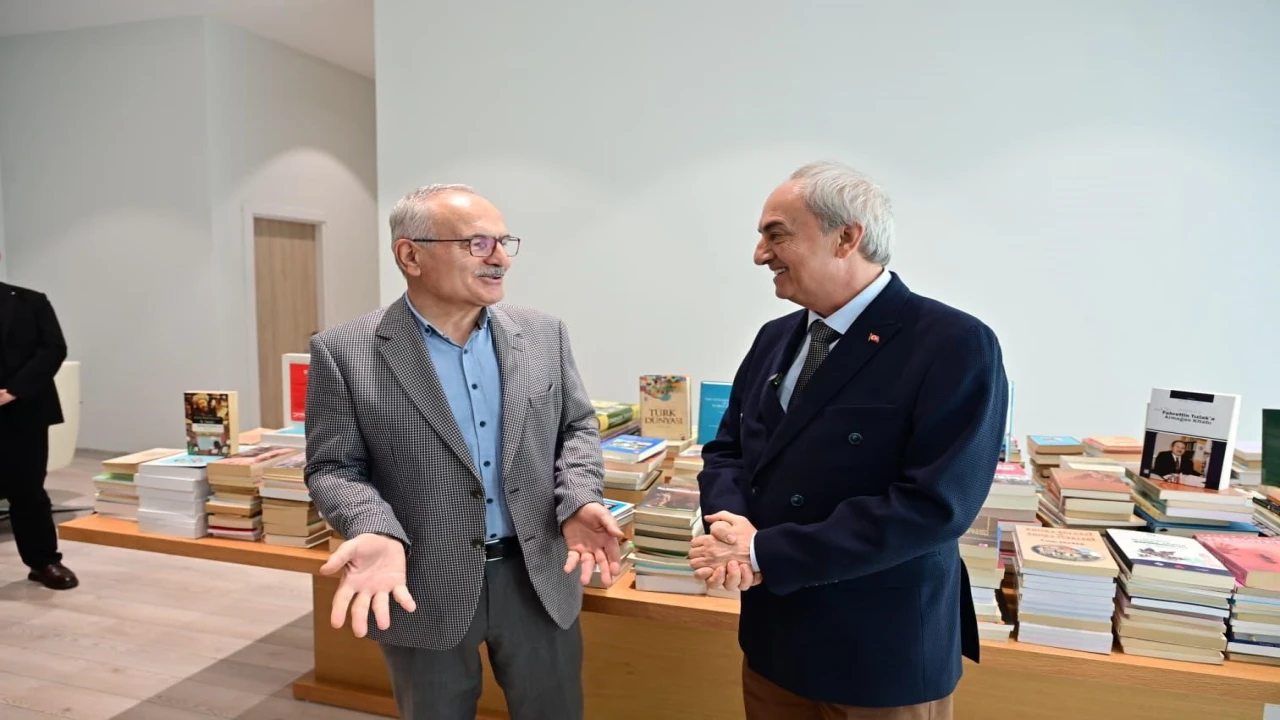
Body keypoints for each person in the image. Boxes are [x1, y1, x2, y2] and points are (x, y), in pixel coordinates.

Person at [689, 161, 1008, 719]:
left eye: (776, 235)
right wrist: (728, 526)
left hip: (880, 656)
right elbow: (728, 449)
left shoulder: (954, 343)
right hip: (773, 641)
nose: (760, 255)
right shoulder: (774, 337)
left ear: (846, 237)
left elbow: (935, 506)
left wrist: (763, 552)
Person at [304, 184, 623, 720]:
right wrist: (373, 526)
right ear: (411, 256)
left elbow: (577, 426)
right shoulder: (344, 351)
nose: (500, 259)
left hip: (537, 575)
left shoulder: (544, 334)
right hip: (420, 579)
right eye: (478, 244)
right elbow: (334, 466)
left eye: (503, 243)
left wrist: (579, 497)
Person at [0, 252, 78, 590]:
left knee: (28, 490)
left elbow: (53, 349)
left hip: (23, 410)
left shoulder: (31, 301)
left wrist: (13, 391)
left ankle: (44, 561)